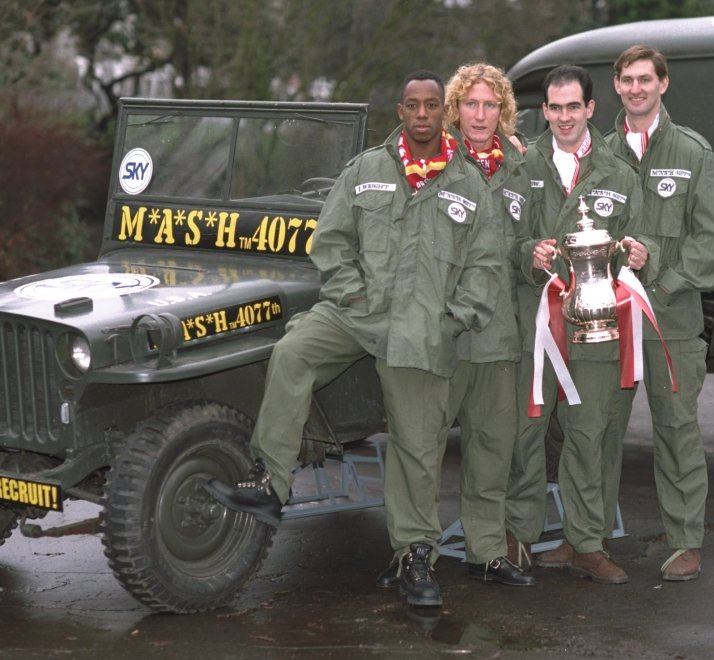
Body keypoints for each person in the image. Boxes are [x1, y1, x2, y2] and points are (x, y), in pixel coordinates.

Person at [205, 70, 501, 608]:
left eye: (431, 105)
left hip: (422, 330)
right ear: (400, 112)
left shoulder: (470, 187)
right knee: (292, 352)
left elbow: (485, 267)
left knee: (417, 445)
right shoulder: (366, 170)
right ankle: (270, 481)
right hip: (357, 313)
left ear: (444, 112)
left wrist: (452, 320)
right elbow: (332, 239)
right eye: (411, 104)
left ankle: (415, 555)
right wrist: (351, 293)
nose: (421, 114)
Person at [374, 62, 536, 589]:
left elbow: (522, 245)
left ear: (503, 111)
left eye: (491, 105)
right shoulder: (426, 160)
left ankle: (485, 550)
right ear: (453, 110)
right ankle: (414, 552)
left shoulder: (519, 168)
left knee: (492, 447)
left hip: (496, 334)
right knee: (420, 449)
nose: (481, 114)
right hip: (439, 333)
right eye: (471, 104)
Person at [504, 64, 656, 585]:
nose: (564, 117)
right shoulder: (522, 166)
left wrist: (640, 252)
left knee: (589, 435)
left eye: (574, 106)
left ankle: (584, 543)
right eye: (555, 107)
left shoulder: (618, 172)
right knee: (528, 430)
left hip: (596, 326)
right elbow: (506, 239)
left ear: (591, 109)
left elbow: (638, 238)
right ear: (543, 111)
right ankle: (517, 538)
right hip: (536, 318)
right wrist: (531, 252)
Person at [605, 44, 714, 581]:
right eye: (626, 79)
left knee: (677, 429)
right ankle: (584, 537)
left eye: (645, 79)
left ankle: (685, 541)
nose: (636, 88)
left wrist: (661, 274)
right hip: (605, 318)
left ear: (663, 84)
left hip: (671, 319)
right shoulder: (599, 154)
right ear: (615, 86)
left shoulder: (694, 153)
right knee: (595, 430)